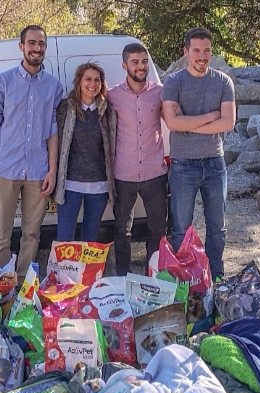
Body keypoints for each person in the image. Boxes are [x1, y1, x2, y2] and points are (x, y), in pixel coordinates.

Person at [0, 25, 63, 277]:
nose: (36, 48)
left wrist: (52, 169)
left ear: (45, 48)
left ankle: (22, 288)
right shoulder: (2, 82)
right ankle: (2, 285)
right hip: (6, 168)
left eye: (41, 44)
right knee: (1, 232)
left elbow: (52, 132)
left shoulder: (54, 87)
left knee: (31, 233)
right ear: (21, 46)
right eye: (31, 43)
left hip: (38, 171)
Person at [161, 27, 235, 278]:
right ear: (186, 52)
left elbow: (228, 123)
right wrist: (210, 117)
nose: (202, 56)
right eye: (196, 51)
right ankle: (186, 279)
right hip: (183, 165)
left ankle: (216, 276)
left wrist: (190, 124)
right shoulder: (173, 82)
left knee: (218, 227)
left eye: (206, 51)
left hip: (215, 163)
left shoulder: (223, 82)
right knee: (181, 228)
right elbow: (172, 124)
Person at [107, 43, 169, 276]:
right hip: (124, 174)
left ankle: (152, 276)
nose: (141, 66)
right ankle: (123, 276)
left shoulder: (160, 92)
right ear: (125, 65)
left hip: (155, 173)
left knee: (158, 229)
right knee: (122, 230)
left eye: (144, 61)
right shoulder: (112, 95)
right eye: (135, 62)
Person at [54, 62, 118, 242]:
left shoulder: (107, 111)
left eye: (97, 80)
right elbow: (55, 142)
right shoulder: (65, 108)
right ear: (79, 82)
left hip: (99, 186)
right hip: (70, 186)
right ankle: (61, 271)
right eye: (88, 79)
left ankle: (86, 271)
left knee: (90, 238)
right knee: (64, 237)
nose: (93, 84)